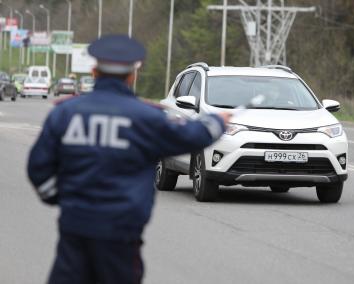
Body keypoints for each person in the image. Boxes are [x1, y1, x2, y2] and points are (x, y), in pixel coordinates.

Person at [27, 34, 231, 284]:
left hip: (74, 227)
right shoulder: (147, 118)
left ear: (94, 72)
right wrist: (216, 122)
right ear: (132, 75)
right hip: (121, 233)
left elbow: (38, 167)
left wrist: (57, 197)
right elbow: (191, 137)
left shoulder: (65, 113)